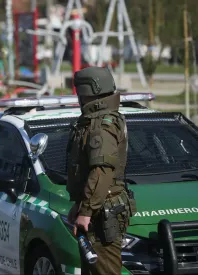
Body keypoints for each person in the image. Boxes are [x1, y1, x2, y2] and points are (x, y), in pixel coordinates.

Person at [66, 66, 137, 275]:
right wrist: (80, 205)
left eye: (80, 92)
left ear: (90, 91)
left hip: (102, 213)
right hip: (97, 208)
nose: (79, 98)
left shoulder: (101, 125)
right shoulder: (96, 121)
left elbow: (102, 171)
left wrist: (86, 212)